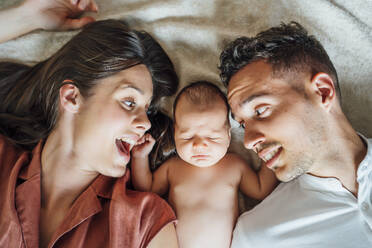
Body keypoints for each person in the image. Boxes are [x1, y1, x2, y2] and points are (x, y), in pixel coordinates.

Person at [0, 1, 180, 247]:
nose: (146, 123)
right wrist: (25, 18)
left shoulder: (145, 224)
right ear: (72, 97)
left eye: (146, 109)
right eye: (129, 102)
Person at [219, 22, 372, 247]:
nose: (249, 141)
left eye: (260, 110)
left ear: (322, 92)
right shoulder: (258, 236)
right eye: (242, 125)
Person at [130, 81, 278, 248]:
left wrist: (271, 155)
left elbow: (261, 189)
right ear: (175, 134)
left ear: (228, 136)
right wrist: (140, 157)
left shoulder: (234, 166)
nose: (199, 145)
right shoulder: (173, 168)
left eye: (213, 138)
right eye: (187, 137)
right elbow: (146, 191)